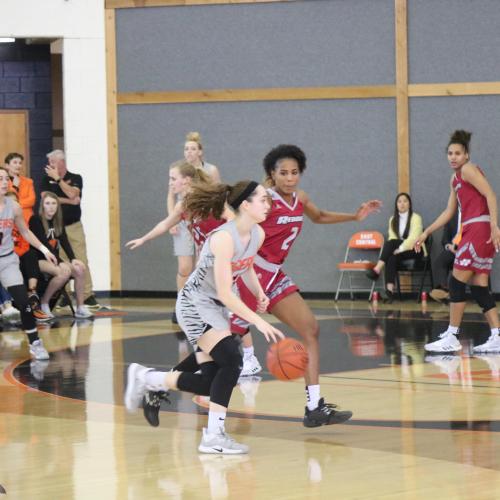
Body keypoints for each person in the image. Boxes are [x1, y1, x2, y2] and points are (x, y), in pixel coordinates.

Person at [125, 180, 284, 454]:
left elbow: (245, 267)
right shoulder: (222, 238)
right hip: (195, 305)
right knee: (233, 361)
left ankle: (149, 378)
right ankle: (213, 436)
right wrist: (258, 320)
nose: (268, 204)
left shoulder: (256, 233)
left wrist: (259, 293)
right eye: (262, 199)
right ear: (245, 204)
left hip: (215, 308)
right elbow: (225, 292)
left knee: (212, 381)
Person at [415, 130, 500, 353]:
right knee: (480, 287)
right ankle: (497, 335)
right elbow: (448, 212)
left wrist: (494, 225)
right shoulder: (455, 179)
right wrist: (426, 233)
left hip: (480, 228)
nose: (453, 157)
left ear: (466, 155)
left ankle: (452, 334)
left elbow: (491, 194)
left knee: (455, 282)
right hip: (476, 229)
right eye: (450, 153)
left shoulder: (468, 170)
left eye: (458, 153)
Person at [0, 166, 58, 359]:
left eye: (5, 179)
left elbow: (25, 232)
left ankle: (35, 343)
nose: (4, 182)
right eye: (0, 179)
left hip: (7, 261)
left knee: (24, 303)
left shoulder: (14, 206)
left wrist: (44, 249)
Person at [167, 133, 220, 323]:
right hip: (183, 219)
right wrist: (171, 219)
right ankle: (180, 305)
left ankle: (200, 304)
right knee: (184, 267)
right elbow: (171, 196)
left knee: (202, 266)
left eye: (192, 149)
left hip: (203, 221)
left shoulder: (210, 170)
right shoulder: (179, 170)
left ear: (200, 152)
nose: (189, 152)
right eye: (186, 149)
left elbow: (218, 194)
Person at [41, 149, 100, 309]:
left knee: (81, 259)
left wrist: (59, 180)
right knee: (61, 260)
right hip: (56, 227)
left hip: (73, 226)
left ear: (62, 162)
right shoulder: (46, 180)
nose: (50, 166)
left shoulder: (75, 178)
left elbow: (74, 194)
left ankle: (87, 296)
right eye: (50, 162)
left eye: (53, 162)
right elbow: (47, 198)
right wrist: (69, 200)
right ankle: (64, 296)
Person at [29, 192, 93, 319]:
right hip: (38, 259)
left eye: (54, 203)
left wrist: (73, 259)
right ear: (42, 206)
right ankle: (44, 303)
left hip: (53, 259)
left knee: (80, 269)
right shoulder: (35, 220)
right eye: (47, 203)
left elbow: (64, 241)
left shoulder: (58, 220)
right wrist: (60, 262)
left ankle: (80, 307)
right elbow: (44, 244)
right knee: (63, 272)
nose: (51, 207)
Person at [366, 193, 426, 302]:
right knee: (391, 257)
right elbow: (392, 237)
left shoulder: (416, 218)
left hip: (415, 249)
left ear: (409, 204)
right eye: (399, 201)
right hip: (399, 250)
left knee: (391, 244)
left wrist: (401, 248)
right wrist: (397, 250)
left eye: (405, 201)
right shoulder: (393, 219)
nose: (402, 204)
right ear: (396, 205)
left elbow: (414, 237)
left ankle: (377, 269)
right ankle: (390, 292)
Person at [5, 191, 51, 322]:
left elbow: (25, 241)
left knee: (30, 255)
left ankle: (32, 293)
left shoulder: (20, 219)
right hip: (6, 257)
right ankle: (14, 306)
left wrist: (45, 250)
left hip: (18, 254)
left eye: (16, 202)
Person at [429, 210, 461, 303]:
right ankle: (444, 290)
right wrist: (449, 246)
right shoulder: (451, 215)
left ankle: (450, 294)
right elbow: (445, 239)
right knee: (440, 260)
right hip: (453, 249)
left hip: (469, 249)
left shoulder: (472, 214)